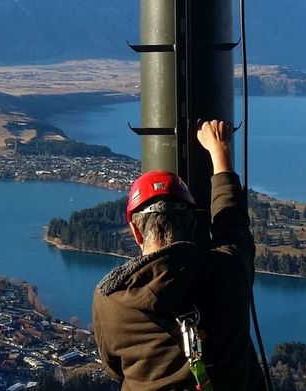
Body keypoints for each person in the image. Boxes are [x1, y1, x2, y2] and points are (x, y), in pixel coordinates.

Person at [92, 120, 264, 390]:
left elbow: (114, 369)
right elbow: (232, 222)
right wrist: (220, 153)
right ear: (193, 225)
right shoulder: (227, 272)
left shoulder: (109, 300)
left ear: (136, 233)